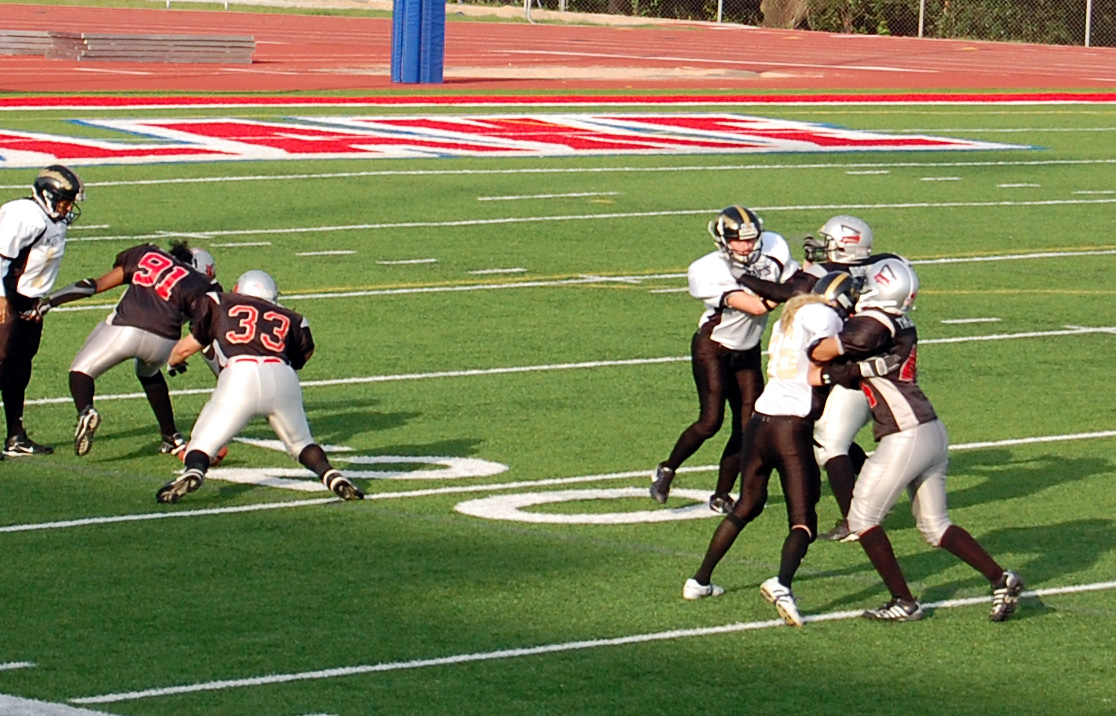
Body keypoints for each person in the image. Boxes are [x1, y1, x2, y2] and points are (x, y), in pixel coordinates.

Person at [808, 258, 1025, 622]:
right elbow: (854, 367)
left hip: (905, 434)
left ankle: (903, 601)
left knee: (862, 519)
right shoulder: (898, 324)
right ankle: (1001, 578)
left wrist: (820, 352)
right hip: (930, 431)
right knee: (934, 526)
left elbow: (827, 350)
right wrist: (835, 372)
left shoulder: (876, 323)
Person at [682, 272, 856, 627]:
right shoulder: (825, 316)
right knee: (804, 520)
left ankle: (699, 580)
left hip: (760, 421)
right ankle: (782, 584)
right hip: (790, 427)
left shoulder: (791, 316)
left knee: (747, 505)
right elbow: (825, 360)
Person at [735, 215, 908, 542]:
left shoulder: (824, 275)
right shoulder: (889, 264)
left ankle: (855, 519)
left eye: (830, 241)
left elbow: (786, 292)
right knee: (828, 435)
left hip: (849, 365)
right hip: (876, 358)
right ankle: (871, 496)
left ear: (845, 243)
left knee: (829, 443)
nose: (823, 246)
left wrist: (741, 277)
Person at [156, 269, 364, 504]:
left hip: (240, 373)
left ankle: (193, 471)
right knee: (301, 443)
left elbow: (185, 348)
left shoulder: (218, 302)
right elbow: (304, 354)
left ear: (239, 289)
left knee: (203, 442)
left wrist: (174, 362)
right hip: (283, 374)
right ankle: (332, 476)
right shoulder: (293, 318)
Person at [650, 206, 800, 513]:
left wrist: (790, 286)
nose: (745, 246)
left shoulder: (772, 248)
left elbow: (795, 281)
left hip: (748, 350)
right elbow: (757, 307)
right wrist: (787, 290)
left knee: (748, 427)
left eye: (750, 239)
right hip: (713, 348)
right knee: (710, 421)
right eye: (737, 241)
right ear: (722, 240)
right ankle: (666, 469)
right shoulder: (709, 268)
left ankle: (721, 495)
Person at [34, 240, 220, 457]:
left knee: (80, 372)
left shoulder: (149, 254)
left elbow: (93, 285)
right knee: (149, 373)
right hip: (164, 342)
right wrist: (180, 357)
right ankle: (171, 437)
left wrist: (50, 302)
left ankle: (86, 411)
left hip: (126, 327)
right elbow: (204, 334)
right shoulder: (202, 286)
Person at [0, 164, 84, 458]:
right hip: (6, 296)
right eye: (65, 199)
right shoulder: (23, 216)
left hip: (28, 300)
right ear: (47, 195)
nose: (68, 206)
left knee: (18, 369)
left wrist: (39, 300)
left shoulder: (55, 220)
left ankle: (15, 436)